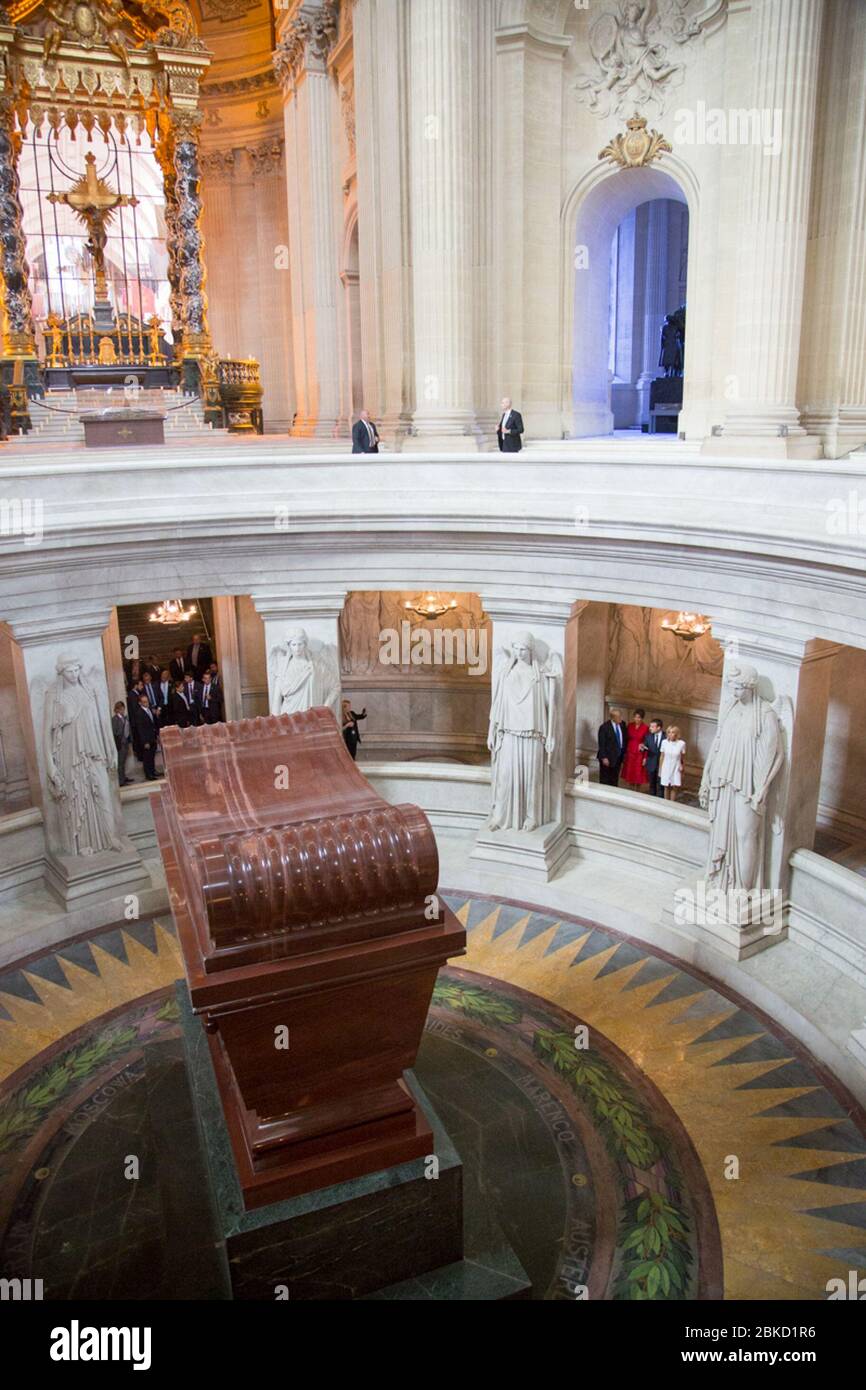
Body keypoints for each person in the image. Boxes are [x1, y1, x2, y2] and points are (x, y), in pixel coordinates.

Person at [597, 707, 627, 786]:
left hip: (618, 757)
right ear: (613, 718)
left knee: (614, 779)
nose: (621, 718)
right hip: (607, 758)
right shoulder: (604, 727)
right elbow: (602, 744)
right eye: (618, 717)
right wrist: (604, 757)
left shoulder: (623, 724)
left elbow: (624, 739)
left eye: (621, 716)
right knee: (605, 779)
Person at [622, 708, 649, 790]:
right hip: (630, 752)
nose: (637, 719)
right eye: (635, 717)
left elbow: (647, 743)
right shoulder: (630, 725)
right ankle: (630, 790)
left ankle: (637, 790)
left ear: (642, 718)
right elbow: (625, 739)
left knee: (638, 773)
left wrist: (645, 757)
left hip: (640, 753)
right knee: (630, 772)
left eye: (639, 717)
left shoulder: (645, 728)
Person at [660, 725, 686, 801]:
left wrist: (683, 768)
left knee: (674, 786)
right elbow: (662, 756)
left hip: (676, 766)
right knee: (666, 786)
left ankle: (672, 804)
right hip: (666, 766)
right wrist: (661, 769)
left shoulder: (682, 743)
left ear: (676, 734)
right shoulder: (664, 742)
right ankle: (665, 803)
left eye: (673, 732)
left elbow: (683, 758)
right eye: (669, 732)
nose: (671, 734)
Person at [642, 718, 665, 797]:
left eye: (652, 727)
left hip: (662, 765)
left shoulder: (665, 737)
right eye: (650, 726)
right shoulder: (648, 736)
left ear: (658, 728)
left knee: (661, 786)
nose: (650, 728)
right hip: (651, 764)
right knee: (652, 785)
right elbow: (644, 747)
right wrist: (642, 747)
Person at [112, 701, 131, 786]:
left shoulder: (124, 717)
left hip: (126, 742)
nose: (122, 710)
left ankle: (124, 777)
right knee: (120, 763)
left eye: (123, 709)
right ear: (117, 709)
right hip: (120, 744)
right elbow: (115, 732)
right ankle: (121, 780)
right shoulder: (115, 719)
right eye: (121, 709)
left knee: (123, 762)